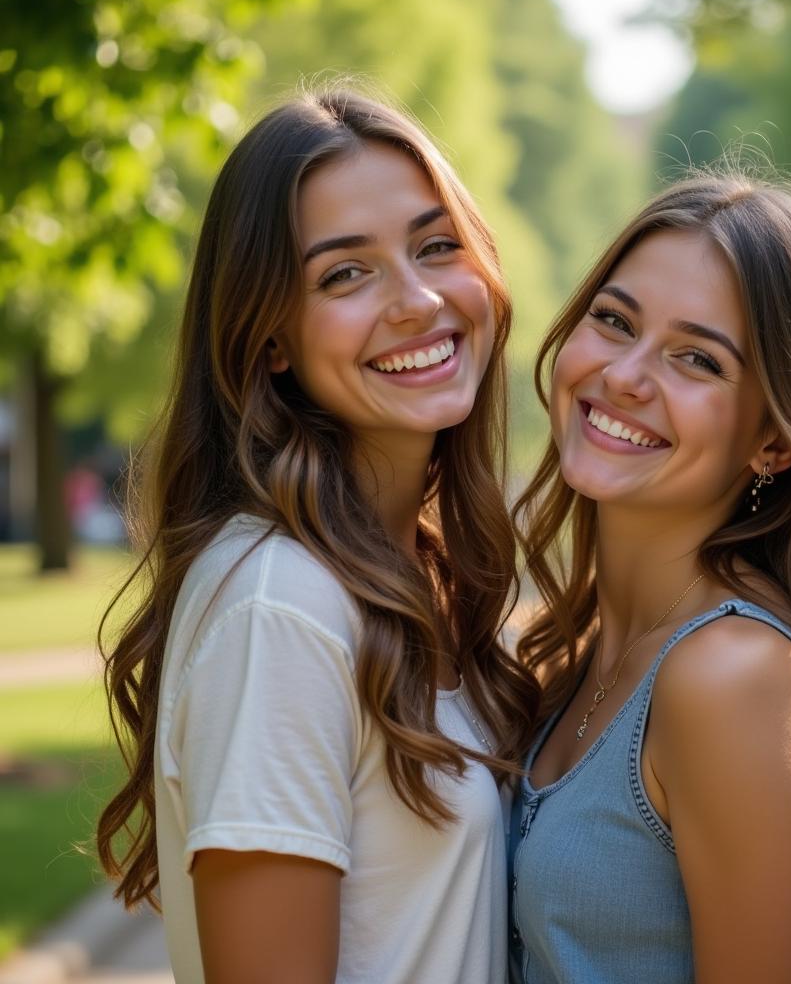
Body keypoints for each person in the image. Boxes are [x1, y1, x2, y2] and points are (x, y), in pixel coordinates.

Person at [97, 84, 539, 984]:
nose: (417, 300)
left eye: (436, 246)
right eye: (346, 273)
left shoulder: (414, 574)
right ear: (270, 340)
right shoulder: (282, 609)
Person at [510, 171, 791, 984]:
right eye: (613, 321)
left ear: (774, 443)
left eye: (697, 360)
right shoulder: (578, 657)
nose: (627, 376)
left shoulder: (736, 675)